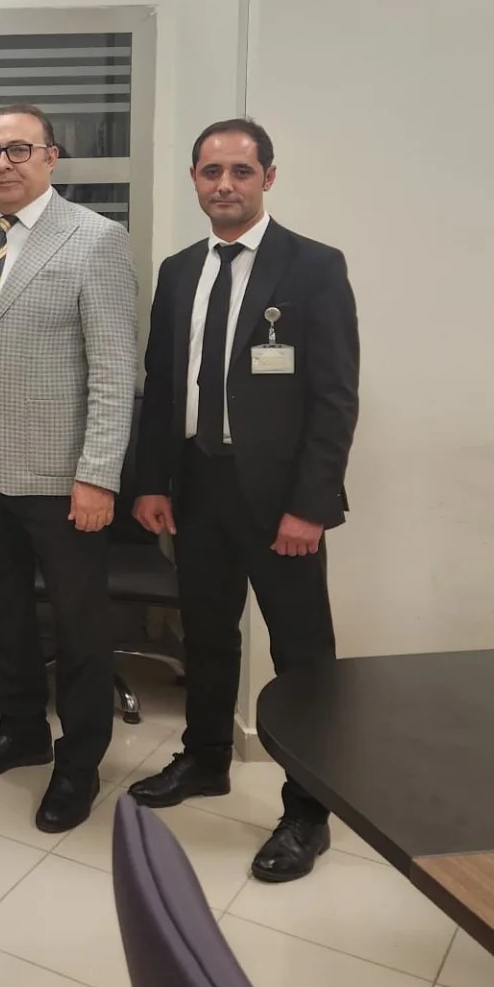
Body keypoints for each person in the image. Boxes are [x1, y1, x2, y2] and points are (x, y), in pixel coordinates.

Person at [128, 118, 359, 883]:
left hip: (282, 500)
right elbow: (163, 386)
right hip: (198, 485)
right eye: (210, 171)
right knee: (205, 635)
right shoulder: (179, 270)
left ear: (268, 177)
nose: (223, 184)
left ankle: (307, 811)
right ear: (195, 179)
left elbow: (335, 397)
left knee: (301, 656)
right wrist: (152, 481)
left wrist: (312, 507)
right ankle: (205, 758)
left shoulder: (313, 266)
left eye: (240, 170)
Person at [0, 104, 138, 833]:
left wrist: (98, 474)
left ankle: (80, 762)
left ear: (51, 156)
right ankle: (20, 730)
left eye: (18, 150)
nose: (3, 163)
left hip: (63, 476)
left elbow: (114, 370)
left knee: (79, 625)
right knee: (2, 611)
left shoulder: (96, 239)